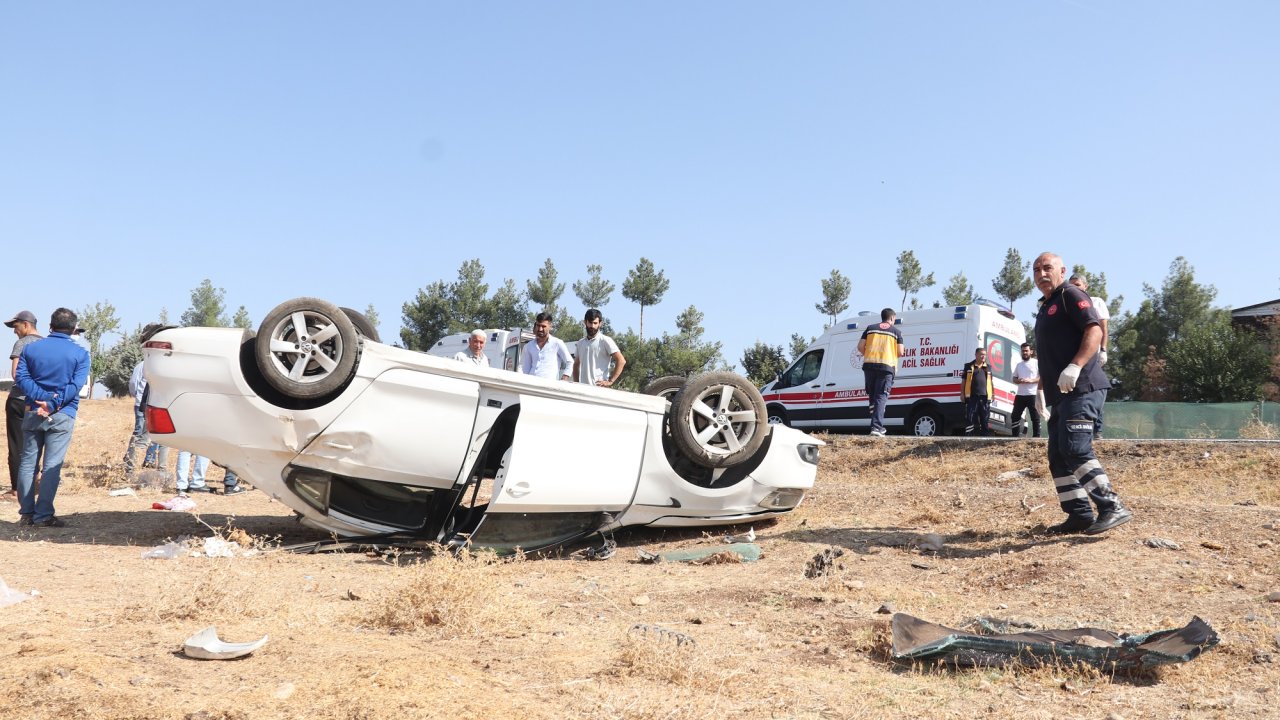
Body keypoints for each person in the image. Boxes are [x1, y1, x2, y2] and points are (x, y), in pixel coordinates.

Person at [1033, 252, 1131, 535]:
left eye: (1047, 268)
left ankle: (1112, 506)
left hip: (1083, 387)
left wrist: (1075, 366)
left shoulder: (1070, 294)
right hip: (1060, 394)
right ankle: (1079, 515)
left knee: (1075, 448)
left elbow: (1095, 330)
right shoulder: (1046, 305)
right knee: (1058, 455)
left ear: (1062, 271)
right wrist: (1042, 388)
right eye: (1037, 269)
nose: (1041, 274)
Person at [14, 307, 91, 527]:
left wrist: (39, 398)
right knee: (52, 466)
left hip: (32, 411)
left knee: (28, 464)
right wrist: (52, 403)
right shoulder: (80, 353)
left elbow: (21, 377)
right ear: (74, 329)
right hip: (62, 413)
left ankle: (27, 514)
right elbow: (76, 385)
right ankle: (43, 515)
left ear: (50, 326)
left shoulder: (31, 349)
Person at [5, 310, 43, 501]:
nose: (14, 331)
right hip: (42, 404)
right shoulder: (46, 343)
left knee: (16, 445)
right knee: (35, 444)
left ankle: (17, 490)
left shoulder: (22, 343)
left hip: (19, 401)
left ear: (26, 325)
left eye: (16, 326)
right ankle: (35, 484)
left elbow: (15, 374)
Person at [1070, 274, 1110, 439]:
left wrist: (1103, 349)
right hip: (1073, 351)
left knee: (1095, 386)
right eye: (1071, 285)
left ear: (1085, 286)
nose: (1075, 288)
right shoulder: (1067, 303)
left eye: (1078, 285)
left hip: (1091, 350)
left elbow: (1103, 328)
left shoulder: (1096, 302)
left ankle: (1097, 429)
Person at [856, 308, 904, 437]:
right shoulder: (896, 332)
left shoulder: (870, 328)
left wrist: (870, 353)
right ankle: (876, 428)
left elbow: (860, 346)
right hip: (886, 367)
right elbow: (900, 352)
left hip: (869, 365)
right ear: (892, 318)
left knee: (872, 396)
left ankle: (875, 422)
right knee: (881, 396)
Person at [572, 309, 626, 387]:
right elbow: (576, 364)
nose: (592, 326)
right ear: (585, 322)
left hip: (600, 390)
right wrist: (576, 384)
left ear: (600, 323)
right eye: (590, 323)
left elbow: (621, 361)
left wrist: (610, 381)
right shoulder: (580, 343)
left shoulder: (605, 341)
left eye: (595, 323)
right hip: (583, 389)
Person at [520, 312, 571, 381]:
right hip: (531, 386)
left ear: (550, 326)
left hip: (548, 387)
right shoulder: (528, 346)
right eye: (538, 325)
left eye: (543, 326)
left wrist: (564, 379)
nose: (540, 329)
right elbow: (525, 369)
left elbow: (570, 362)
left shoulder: (557, 343)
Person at [1011, 343, 1042, 438]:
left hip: (1032, 394)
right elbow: (1014, 378)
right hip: (1020, 394)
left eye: (1026, 351)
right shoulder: (1019, 365)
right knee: (1015, 416)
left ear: (1031, 352)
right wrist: (1019, 381)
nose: (1024, 353)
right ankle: (1014, 437)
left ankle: (1036, 438)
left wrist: (1031, 380)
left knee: (1035, 417)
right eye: (1023, 351)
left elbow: (1042, 378)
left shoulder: (1036, 363)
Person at [960, 347, 992, 436]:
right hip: (972, 397)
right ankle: (969, 437)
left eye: (985, 355)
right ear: (976, 355)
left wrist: (993, 394)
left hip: (985, 397)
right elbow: (964, 381)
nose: (983, 356)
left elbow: (990, 382)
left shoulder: (988, 367)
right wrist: (962, 393)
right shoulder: (969, 366)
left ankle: (985, 438)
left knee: (985, 418)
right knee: (970, 418)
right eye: (981, 354)